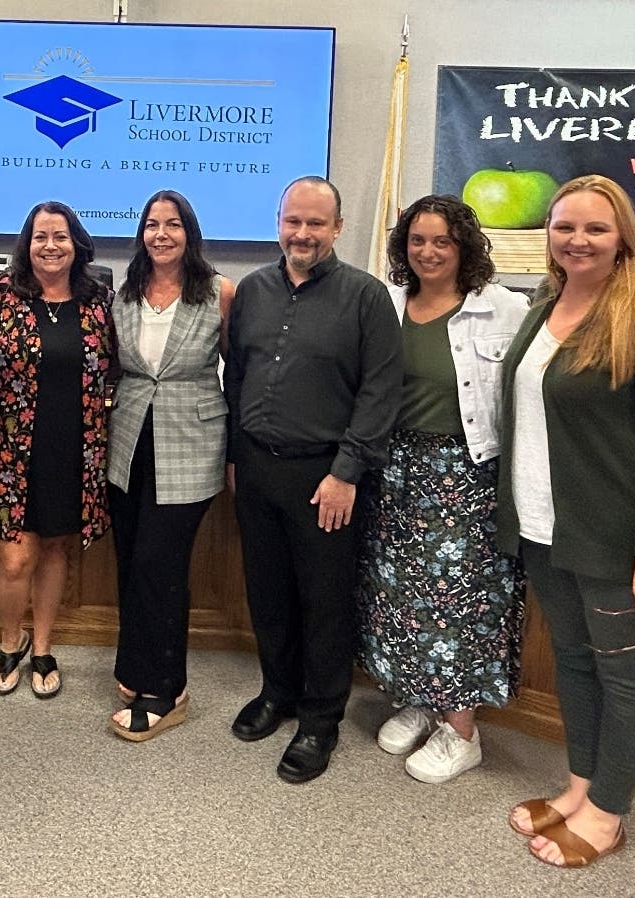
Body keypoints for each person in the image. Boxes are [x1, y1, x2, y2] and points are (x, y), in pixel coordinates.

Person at [497, 175, 635, 867]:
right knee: (575, 667)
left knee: (625, 679)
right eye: (564, 227)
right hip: (541, 528)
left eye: (594, 228)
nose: (576, 240)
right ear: (546, 235)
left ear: (622, 239)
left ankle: (608, 814)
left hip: (610, 539)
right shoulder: (543, 303)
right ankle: (580, 786)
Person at [225, 176, 403, 783]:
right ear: (279, 221)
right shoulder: (252, 290)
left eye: (315, 224)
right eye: (293, 221)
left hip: (325, 475)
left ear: (337, 228)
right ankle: (278, 693)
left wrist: (346, 472)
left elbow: (380, 393)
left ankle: (320, 718)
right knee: (267, 591)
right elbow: (237, 375)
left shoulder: (366, 297)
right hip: (255, 466)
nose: (302, 234)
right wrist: (232, 456)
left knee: (324, 601)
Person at [356, 195, 528, 784]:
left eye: (442, 242)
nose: (428, 252)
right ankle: (421, 699)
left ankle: (462, 731)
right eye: (417, 241)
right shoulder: (389, 305)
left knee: (459, 604)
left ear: (464, 247)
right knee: (399, 596)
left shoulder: (503, 308)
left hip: (465, 476)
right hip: (397, 468)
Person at [106, 190, 234, 740]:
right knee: (133, 560)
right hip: (129, 441)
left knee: (161, 564)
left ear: (190, 232)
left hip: (193, 442)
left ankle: (165, 687)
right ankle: (136, 668)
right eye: (152, 225)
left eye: (173, 224)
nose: (162, 234)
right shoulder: (124, 293)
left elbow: (244, 373)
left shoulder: (220, 292)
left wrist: (236, 454)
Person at [0, 200, 114, 698]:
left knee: (56, 548)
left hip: (76, 448)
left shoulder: (101, 301)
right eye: (40, 237)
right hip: (12, 450)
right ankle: (11, 640)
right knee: (15, 559)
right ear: (25, 246)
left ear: (77, 243)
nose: (51, 246)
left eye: (60, 236)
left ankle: (44, 646)